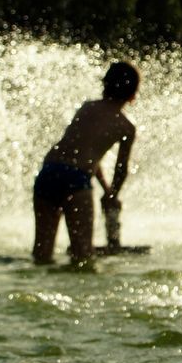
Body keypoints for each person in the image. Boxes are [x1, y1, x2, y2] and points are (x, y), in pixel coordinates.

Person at [32, 61, 139, 264]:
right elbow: (121, 169)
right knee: (82, 257)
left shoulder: (87, 108)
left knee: (41, 254)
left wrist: (106, 188)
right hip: (75, 179)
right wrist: (113, 194)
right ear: (133, 95)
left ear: (105, 84)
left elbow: (85, 153)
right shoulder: (125, 127)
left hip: (49, 171)